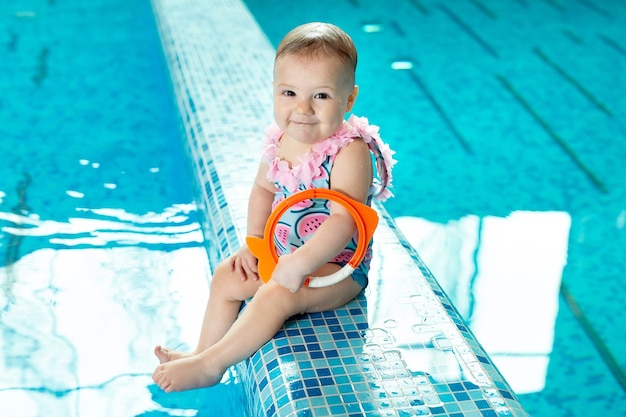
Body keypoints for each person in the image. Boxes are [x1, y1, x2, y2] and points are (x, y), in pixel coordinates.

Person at [152, 22, 395, 392]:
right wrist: (254, 244)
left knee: (277, 295)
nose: (302, 108)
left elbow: (344, 220)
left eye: (321, 96)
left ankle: (212, 366)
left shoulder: (349, 150)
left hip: (337, 270)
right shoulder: (281, 140)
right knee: (227, 276)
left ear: (348, 100)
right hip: (283, 255)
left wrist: (300, 263)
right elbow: (262, 190)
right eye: (289, 92)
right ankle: (203, 351)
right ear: (274, 91)